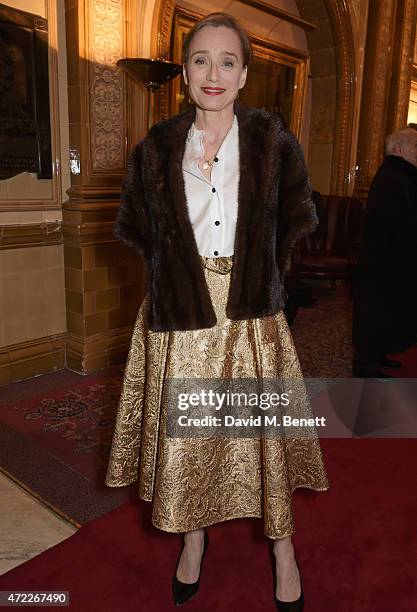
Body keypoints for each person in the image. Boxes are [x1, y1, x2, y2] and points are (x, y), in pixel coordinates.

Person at [105, 12, 329, 610]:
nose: (213, 72)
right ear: (184, 72)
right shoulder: (156, 149)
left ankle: (283, 549)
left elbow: (296, 222)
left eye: (227, 61)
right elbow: (140, 234)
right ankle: (193, 541)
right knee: (191, 437)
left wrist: (266, 277)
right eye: (201, 59)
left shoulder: (272, 142)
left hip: (252, 314)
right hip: (182, 314)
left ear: (244, 75)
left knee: (262, 437)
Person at [353, 127, 417, 377]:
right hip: (383, 263)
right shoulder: (395, 177)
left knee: (382, 313)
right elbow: (402, 222)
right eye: (415, 147)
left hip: (387, 260)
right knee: (374, 315)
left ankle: (376, 357)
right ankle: (366, 365)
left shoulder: (400, 175)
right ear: (399, 150)